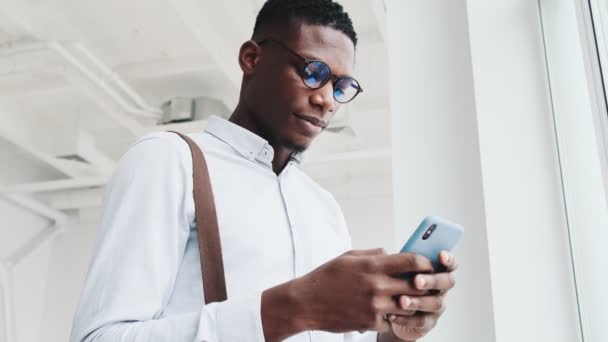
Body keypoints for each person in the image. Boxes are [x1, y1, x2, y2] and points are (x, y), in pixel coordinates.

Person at [70, 0, 457, 341]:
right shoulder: (170, 159)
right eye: (313, 72)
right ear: (251, 58)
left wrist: (394, 335)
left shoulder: (323, 206)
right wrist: (294, 307)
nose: (326, 100)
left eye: (341, 87)